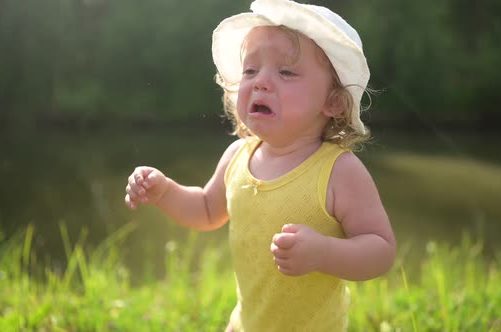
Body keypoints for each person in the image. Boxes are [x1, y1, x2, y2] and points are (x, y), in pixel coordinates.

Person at [125, 0, 396, 330]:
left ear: (333, 101)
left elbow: (380, 250)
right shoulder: (238, 155)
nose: (261, 82)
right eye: (250, 70)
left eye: (285, 72)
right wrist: (163, 190)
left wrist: (324, 252)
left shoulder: (338, 172)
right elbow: (207, 211)